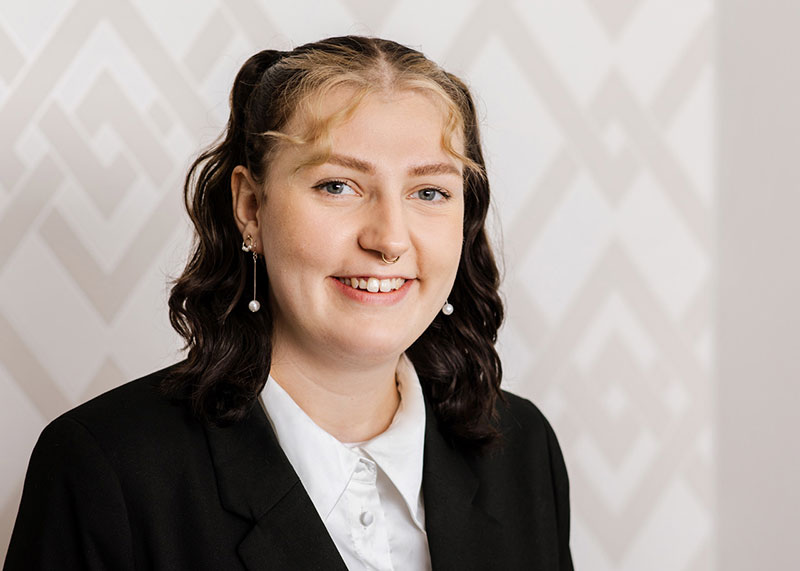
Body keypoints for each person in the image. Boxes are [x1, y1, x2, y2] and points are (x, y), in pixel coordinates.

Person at [5, 36, 573, 570]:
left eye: (430, 192)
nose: (390, 239)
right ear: (251, 207)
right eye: (337, 186)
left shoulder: (524, 449)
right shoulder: (105, 468)